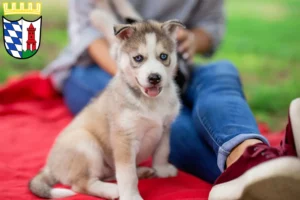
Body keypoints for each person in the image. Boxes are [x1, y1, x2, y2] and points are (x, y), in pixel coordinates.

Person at [42, 0, 300, 199]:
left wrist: (191, 40)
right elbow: (89, 34)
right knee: (159, 118)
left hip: (172, 65)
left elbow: (210, 26)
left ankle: (257, 157)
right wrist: (140, 75)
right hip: (98, 66)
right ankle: (251, 176)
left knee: (222, 72)